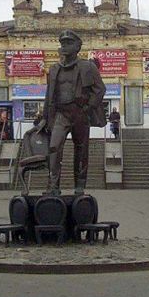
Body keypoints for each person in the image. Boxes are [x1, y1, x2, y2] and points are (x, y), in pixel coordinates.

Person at [38, 30, 106, 196]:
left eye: (68, 43)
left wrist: (88, 107)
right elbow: (49, 95)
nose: (64, 47)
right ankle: (53, 186)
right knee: (54, 146)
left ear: (77, 47)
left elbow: (100, 90)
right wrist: (45, 118)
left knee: (81, 150)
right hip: (61, 114)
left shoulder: (88, 67)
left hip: (80, 113)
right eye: (63, 44)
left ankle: (80, 185)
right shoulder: (54, 69)